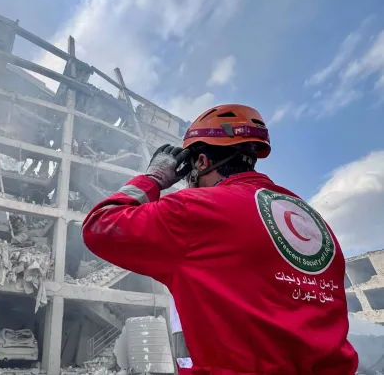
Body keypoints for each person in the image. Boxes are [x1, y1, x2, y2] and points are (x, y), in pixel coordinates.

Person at [82, 104, 358, 374]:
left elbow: (100, 225)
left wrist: (153, 177)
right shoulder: (312, 220)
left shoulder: (196, 210)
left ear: (201, 162)